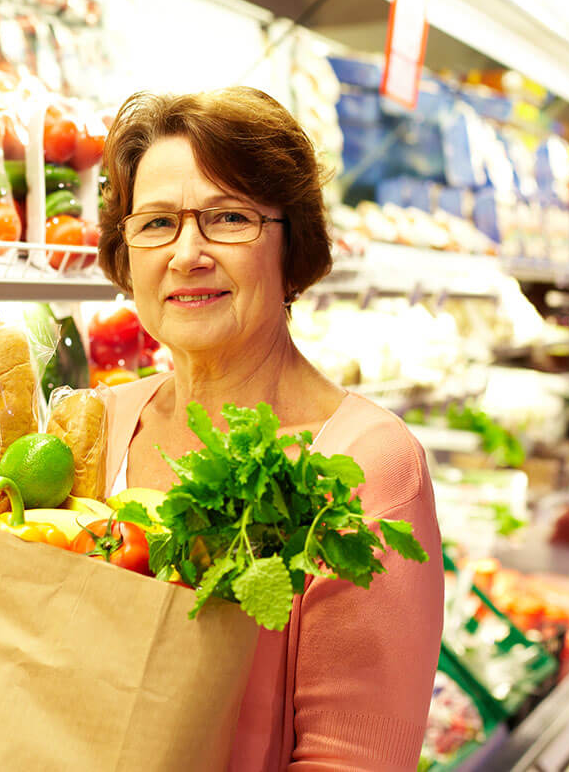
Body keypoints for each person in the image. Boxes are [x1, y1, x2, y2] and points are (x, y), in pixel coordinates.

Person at [96, 86, 443, 771]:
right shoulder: (98, 423)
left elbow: (350, 759)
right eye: (156, 223)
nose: (186, 253)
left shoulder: (366, 466)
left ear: (291, 244)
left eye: (227, 219)